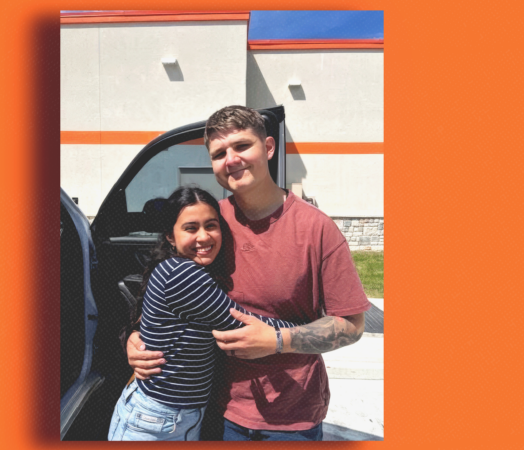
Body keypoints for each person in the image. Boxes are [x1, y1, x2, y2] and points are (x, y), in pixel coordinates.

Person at [127, 105, 372, 441]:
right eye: (219, 153)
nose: (231, 160)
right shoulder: (209, 224)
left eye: (242, 146)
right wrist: (138, 338)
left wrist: (278, 341)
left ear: (268, 147)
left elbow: (352, 325)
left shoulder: (317, 229)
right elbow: (169, 290)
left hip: (290, 417)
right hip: (214, 408)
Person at [108, 186, 303, 441]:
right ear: (170, 236)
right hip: (155, 421)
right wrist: (306, 329)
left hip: (172, 416)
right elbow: (239, 321)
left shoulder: (179, 267)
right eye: (191, 228)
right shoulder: (183, 275)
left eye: (211, 226)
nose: (203, 237)